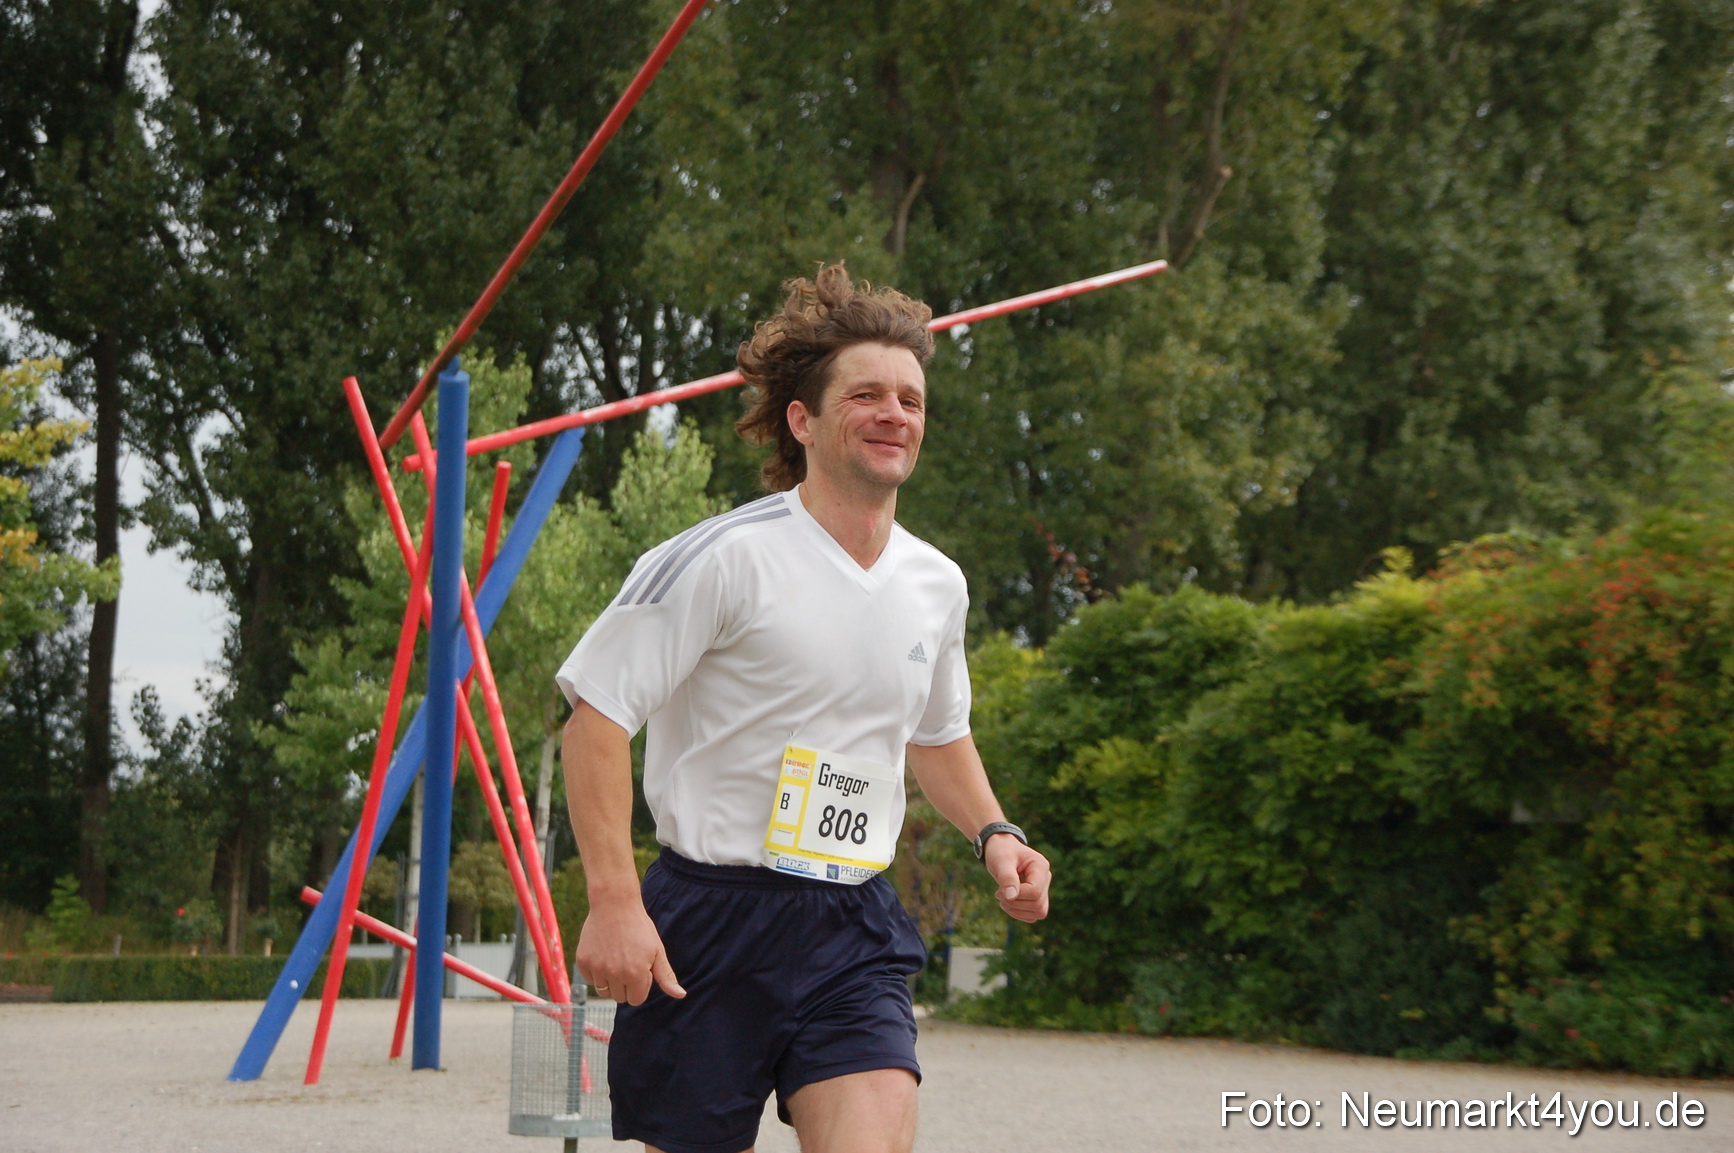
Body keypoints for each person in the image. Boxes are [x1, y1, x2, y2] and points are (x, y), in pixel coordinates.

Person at [557, 263, 1051, 1153]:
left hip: (850, 921)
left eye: (911, 398)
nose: (895, 412)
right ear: (803, 419)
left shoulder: (937, 583)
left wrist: (997, 833)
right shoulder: (718, 558)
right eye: (866, 393)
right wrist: (613, 903)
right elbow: (594, 718)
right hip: (706, 921)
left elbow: (936, 736)